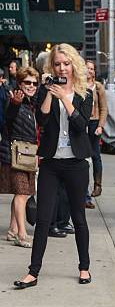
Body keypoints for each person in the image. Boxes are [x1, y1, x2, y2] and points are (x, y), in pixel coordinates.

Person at [14, 43, 93, 289]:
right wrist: (49, 91)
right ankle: (33, 272)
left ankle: (84, 267)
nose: (62, 68)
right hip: (50, 163)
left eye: (66, 64)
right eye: (57, 64)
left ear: (74, 65)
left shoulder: (84, 93)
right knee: (44, 219)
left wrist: (65, 100)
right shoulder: (46, 91)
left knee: (79, 218)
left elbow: (81, 126)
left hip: (76, 164)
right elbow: (43, 119)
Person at [0, 66, 39, 247]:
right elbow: (8, 118)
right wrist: (15, 102)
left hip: (26, 156)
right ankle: (22, 234)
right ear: (19, 83)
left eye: (34, 83)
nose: (31, 86)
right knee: (22, 194)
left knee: (20, 194)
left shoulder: (31, 103)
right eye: (27, 82)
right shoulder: (13, 100)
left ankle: (12, 229)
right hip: (14, 155)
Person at [85, 60, 107, 200]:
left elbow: (104, 108)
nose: (89, 71)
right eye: (87, 68)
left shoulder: (98, 87)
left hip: (94, 124)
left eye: (92, 69)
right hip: (81, 124)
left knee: (95, 155)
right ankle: (83, 192)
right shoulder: (78, 85)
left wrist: (100, 125)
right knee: (82, 159)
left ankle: (97, 185)